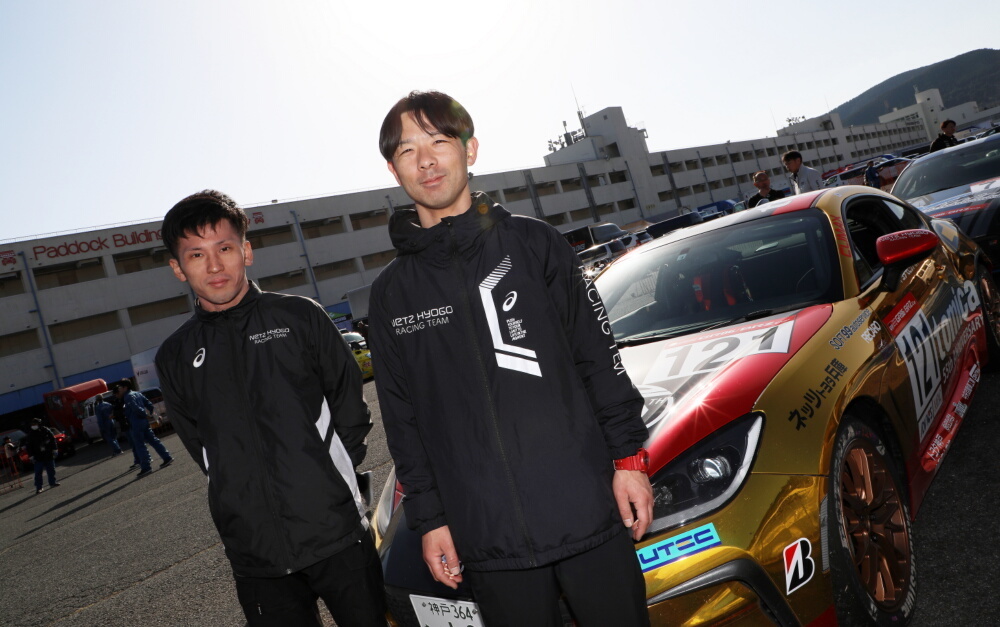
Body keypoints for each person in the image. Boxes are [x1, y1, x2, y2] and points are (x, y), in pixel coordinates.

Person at [370, 91, 652, 626]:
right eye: (407, 151)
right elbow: (403, 423)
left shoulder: (536, 244)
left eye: (439, 141)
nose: (426, 160)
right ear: (393, 169)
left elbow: (599, 359)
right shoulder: (391, 296)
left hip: (588, 511)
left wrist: (629, 460)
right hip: (487, 540)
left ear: (470, 149)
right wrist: (430, 520)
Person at [154, 190, 385, 626]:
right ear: (178, 268)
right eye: (196, 254)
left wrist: (326, 482)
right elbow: (202, 448)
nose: (214, 265)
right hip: (255, 555)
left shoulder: (299, 316)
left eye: (224, 248)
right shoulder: (175, 356)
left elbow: (350, 409)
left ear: (246, 251)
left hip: (336, 535)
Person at [115, 382, 173, 478]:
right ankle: (167, 457)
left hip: (136, 423)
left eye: (120, 387)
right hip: (144, 422)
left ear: (125, 387)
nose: (119, 389)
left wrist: (146, 415)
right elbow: (149, 404)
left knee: (139, 445)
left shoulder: (128, 397)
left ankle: (146, 467)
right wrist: (155, 415)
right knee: (153, 440)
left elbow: (136, 409)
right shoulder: (137, 393)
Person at [23, 418, 60, 494]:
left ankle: (52, 482)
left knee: (51, 470)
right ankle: (39, 487)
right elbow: (29, 446)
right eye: (32, 424)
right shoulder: (30, 434)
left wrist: (55, 449)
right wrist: (31, 456)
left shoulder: (46, 430)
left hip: (48, 454)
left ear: (39, 424)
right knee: (38, 472)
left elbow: (52, 440)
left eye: (35, 424)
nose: (34, 426)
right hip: (38, 456)